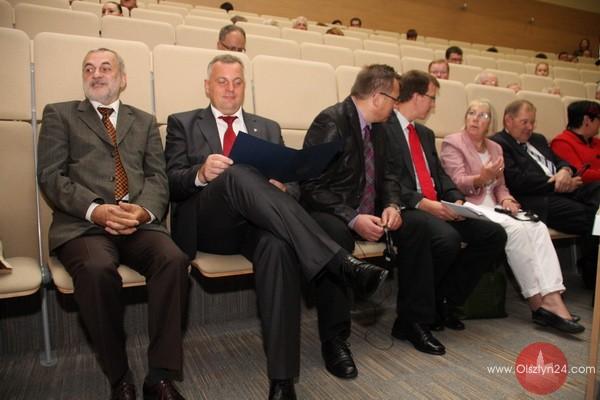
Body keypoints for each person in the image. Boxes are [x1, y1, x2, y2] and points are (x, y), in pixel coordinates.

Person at [164, 54, 388, 399]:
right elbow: (170, 182)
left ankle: (282, 381)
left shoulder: (266, 127)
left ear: (246, 87)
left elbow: (295, 182)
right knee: (237, 173)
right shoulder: (182, 123)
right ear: (207, 86)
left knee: (279, 248)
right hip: (211, 224)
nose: (230, 88)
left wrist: (284, 188)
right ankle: (338, 261)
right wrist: (200, 173)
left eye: (237, 82)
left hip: (258, 225)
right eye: (222, 81)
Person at [37, 48, 189, 400]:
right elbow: (50, 176)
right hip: (84, 225)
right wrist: (96, 210)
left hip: (138, 223)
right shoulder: (59, 114)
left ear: (122, 79)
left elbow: (157, 176)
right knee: (95, 269)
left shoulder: (145, 121)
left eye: (106, 68)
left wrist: (142, 212)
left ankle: (160, 377)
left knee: (174, 259)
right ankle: (119, 376)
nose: (96, 74)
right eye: (89, 68)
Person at [302, 64, 453, 357]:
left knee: (418, 226)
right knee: (335, 237)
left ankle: (412, 322)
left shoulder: (381, 128)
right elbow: (311, 185)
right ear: (377, 97)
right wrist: (353, 218)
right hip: (334, 211)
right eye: (394, 99)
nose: (396, 105)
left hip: (372, 212)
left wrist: (392, 206)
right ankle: (335, 339)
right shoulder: (331, 121)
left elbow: (390, 176)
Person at [440, 100, 584, 334]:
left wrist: (507, 199)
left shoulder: (495, 148)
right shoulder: (453, 142)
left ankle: (553, 297)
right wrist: (481, 178)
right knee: (517, 231)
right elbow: (455, 182)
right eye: (472, 113)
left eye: (483, 115)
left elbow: (501, 187)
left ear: (491, 123)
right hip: (470, 206)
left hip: (496, 208)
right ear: (465, 117)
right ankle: (538, 304)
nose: (476, 118)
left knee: (537, 226)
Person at [383, 70, 507, 341]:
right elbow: (384, 179)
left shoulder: (424, 133)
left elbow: (440, 176)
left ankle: (445, 299)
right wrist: (423, 203)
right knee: (446, 239)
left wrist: (457, 199)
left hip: (437, 205)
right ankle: (415, 317)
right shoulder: (383, 127)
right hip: (406, 206)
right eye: (431, 98)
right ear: (417, 97)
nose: (433, 104)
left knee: (493, 235)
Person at [491, 99, 600, 289]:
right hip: (539, 199)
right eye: (525, 122)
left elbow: (561, 161)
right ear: (508, 120)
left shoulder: (538, 139)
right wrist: (556, 184)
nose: (530, 127)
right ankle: (594, 279)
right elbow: (518, 181)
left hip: (564, 189)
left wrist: (565, 171)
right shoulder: (499, 143)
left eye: (532, 122)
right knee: (594, 218)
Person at [551, 100, 600, 184]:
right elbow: (580, 174)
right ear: (587, 120)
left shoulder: (596, 141)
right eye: (599, 118)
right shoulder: (561, 143)